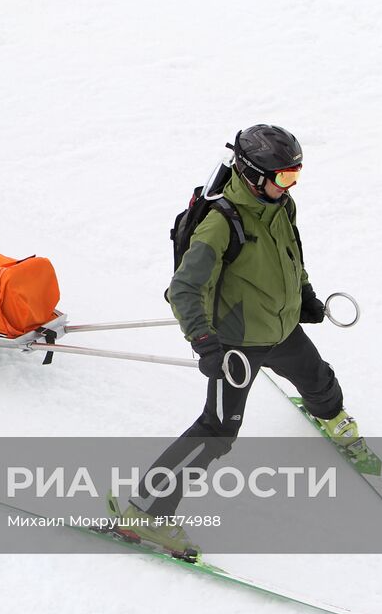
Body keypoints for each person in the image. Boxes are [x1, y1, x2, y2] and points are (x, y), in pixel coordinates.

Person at [113, 124, 360, 559]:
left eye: (296, 175)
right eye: (283, 176)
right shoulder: (220, 223)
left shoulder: (281, 205)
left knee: (317, 378)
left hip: (280, 328)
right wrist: (205, 341)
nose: (291, 185)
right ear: (251, 173)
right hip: (237, 347)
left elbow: (291, 257)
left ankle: (333, 418)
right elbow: (184, 290)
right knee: (217, 431)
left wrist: (304, 297)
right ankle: (146, 514)